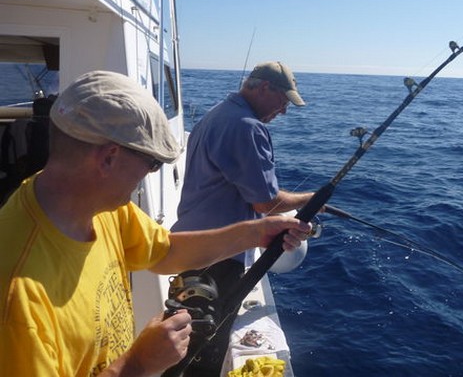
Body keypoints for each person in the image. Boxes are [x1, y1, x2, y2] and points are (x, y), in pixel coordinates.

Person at [0, 70, 310, 377]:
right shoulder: (17, 296)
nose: (148, 177)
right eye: (152, 164)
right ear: (109, 158)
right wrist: (137, 364)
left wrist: (255, 233)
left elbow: (165, 252)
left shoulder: (99, 207)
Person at [171, 61, 314, 375]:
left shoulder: (217, 114)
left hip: (193, 246)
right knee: (205, 346)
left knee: (184, 337)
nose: (284, 111)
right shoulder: (246, 125)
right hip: (219, 258)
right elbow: (266, 202)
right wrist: (314, 200)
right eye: (283, 101)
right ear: (264, 88)